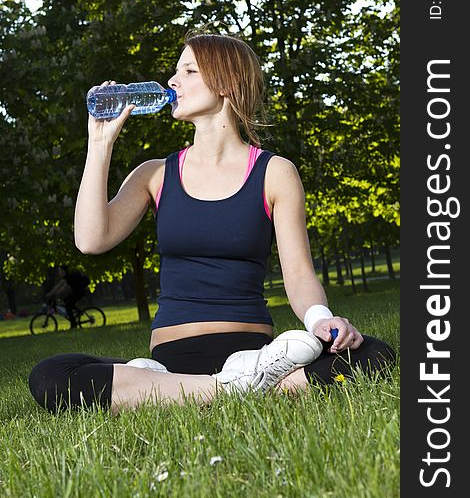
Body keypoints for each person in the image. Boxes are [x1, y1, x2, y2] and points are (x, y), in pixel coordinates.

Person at [29, 33, 395, 413]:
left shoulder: (274, 172)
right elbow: (90, 239)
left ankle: (172, 389)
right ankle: (235, 387)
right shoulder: (154, 175)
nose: (173, 82)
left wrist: (321, 320)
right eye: (175, 71)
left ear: (227, 83)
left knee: (373, 355)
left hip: (252, 350)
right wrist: (99, 144)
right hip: (175, 360)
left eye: (188, 71)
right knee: (51, 375)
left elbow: (299, 274)